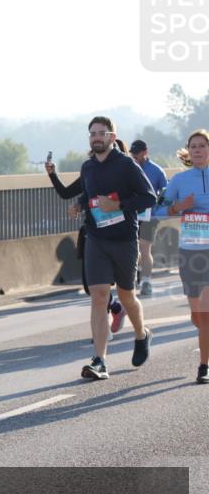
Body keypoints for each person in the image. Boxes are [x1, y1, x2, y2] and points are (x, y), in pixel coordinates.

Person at [74, 116, 157, 380]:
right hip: (96, 238)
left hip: (124, 239)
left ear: (112, 137)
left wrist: (119, 205)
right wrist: (79, 204)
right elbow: (88, 194)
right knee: (99, 296)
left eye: (102, 133)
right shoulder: (87, 167)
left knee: (126, 295)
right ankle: (99, 360)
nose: (96, 137)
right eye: (92, 133)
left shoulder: (126, 164)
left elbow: (149, 197)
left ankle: (141, 334)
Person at [45, 147, 127, 336]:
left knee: (111, 289)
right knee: (92, 287)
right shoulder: (89, 172)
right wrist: (52, 175)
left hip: (119, 235)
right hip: (92, 234)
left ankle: (106, 331)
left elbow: (142, 198)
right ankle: (114, 311)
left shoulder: (125, 172)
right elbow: (66, 193)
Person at [160, 129, 209, 384]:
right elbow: (158, 209)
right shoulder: (179, 180)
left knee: (206, 311)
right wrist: (179, 206)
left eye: (202, 145)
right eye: (194, 146)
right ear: (188, 152)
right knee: (197, 315)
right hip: (190, 251)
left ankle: (204, 365)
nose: (198, 150)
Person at [129, 139, 169, 296]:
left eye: (137, 153)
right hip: (132, 214)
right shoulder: (129, 168)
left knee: (145, 248)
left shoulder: (157, 171)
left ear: (145, 152)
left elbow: (166, 193)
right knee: (133, 248)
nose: (134, 156)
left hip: (150, 216)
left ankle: (146, 282)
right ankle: (136, 274)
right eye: (132, 154)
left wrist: (158, 208)